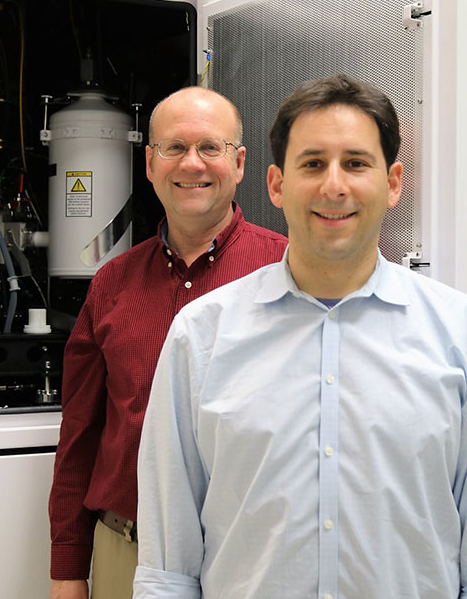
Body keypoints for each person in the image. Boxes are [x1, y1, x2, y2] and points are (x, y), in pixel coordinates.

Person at [133, 74, 467, 599]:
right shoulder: (201, 336)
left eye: (356, 163)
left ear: (394, 182)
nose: (334, 186)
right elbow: (168, 563)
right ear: (276, 184)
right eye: (312, 164)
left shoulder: (456, 334)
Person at [48, 85, 288, 599]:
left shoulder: (286, 273)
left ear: (240, 162)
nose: (192, 163)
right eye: (174, 148)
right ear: (151, 162)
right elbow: (79, 436)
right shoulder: (111, 283)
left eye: (210, 148)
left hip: (251, 558)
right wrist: (68, 569)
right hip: (127, 554)